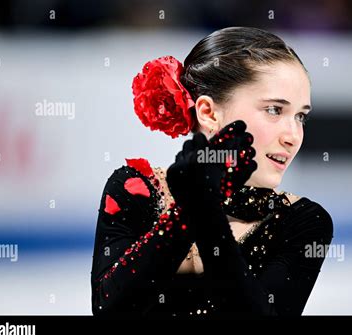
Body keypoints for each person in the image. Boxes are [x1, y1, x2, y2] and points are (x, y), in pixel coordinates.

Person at [91, 27, 333, 318]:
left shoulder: (304, 223)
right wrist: (188, 212)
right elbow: (109, 310)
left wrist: (204, 209)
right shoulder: (134, 189)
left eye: (300, 116)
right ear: (208, 112)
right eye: (274, 110)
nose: (293, 135)